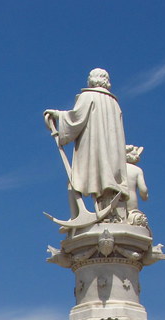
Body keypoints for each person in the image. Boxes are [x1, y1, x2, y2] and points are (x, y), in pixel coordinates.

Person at [43, 68, 128, 219]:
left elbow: (76, 118)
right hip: (112, 153)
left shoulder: (88, 96)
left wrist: (58, 114)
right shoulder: (114, 103)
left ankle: (76, 216)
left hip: (93, 150)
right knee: (108, 185)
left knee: (74, 183)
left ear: (93, 79)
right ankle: (107, 213)